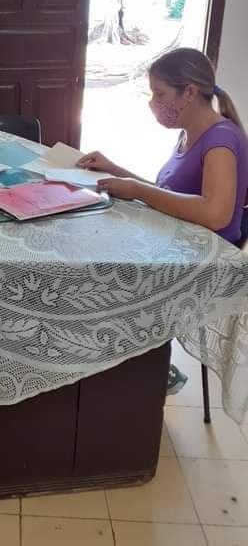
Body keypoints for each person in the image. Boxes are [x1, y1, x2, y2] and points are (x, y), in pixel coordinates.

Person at [77, 47, 248, 395]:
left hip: (201, 261)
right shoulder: (190, 132)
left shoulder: (221, 140)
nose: (154, 103)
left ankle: (137, 369)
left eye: (160, 94)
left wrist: (137, 190)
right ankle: (120, 363)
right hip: (179, 243)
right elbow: (172, 193)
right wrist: (115, 170)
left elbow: (215, 213)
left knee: (103, 277)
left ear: (189, 93)